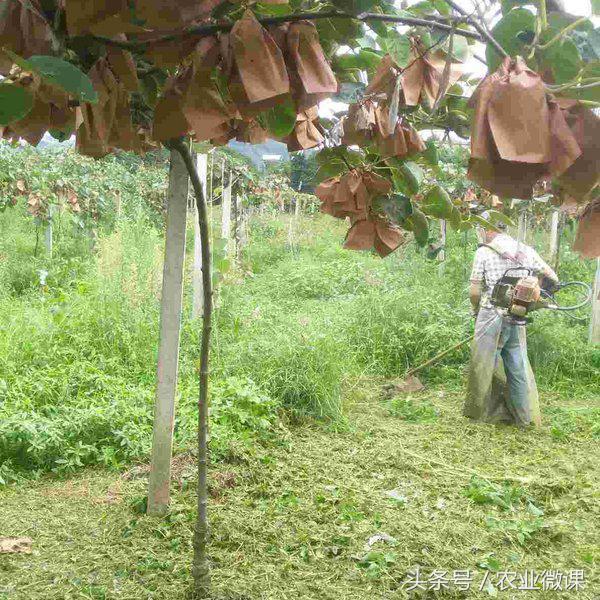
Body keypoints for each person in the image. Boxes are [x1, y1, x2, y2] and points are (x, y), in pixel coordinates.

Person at [463, 212, 559, 427]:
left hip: (491, 313)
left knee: (485, 364)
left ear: (487, 229)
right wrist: (530, 295)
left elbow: (475, 291)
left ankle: (483, 415)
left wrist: (475, 310)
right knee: (517, 365)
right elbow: (553, 278)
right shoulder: (524, 249)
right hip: (517, 315)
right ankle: (524, 417)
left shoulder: (484, 252)